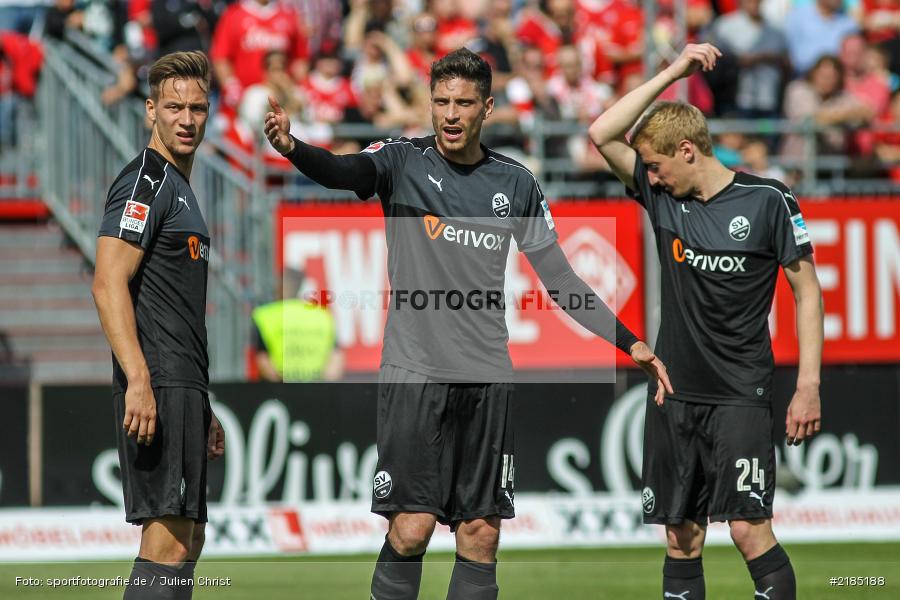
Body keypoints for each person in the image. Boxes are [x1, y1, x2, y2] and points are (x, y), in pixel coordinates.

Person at [264, 47, 672, 600]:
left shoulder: (515, 183)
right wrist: (293, 148)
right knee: (410, 528)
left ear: (487, 108)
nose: (450, 114)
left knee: (480, 534)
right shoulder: (401, 160)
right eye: (440, 102)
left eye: (463, 103)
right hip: (416, 371)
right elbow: (344, 170)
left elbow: (562, 282)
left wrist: (633, 344)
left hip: (487, 375)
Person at [588, 43, 824, 600]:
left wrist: (809, 385)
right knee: (680, 535)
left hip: (741, 392)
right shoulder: (665, 198)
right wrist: (673, 71)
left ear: (687, 151)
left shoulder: (769, 199)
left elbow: (806, 292)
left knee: (747, 528)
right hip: (675, 393)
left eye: (655, 164)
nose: (650, 176)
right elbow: (601, 133)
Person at [92, 51, 225, 600]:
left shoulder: (179, 185)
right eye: (174, 107)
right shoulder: (145, 181)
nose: (186, 119)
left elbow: (175, 304)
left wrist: (202, 402)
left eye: (196, 108)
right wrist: (140, 381)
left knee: (186, 542)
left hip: (182, 384)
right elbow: (107, 283)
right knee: (166, 542)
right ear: (151, 110)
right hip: (158, 381)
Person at [251, 268, 345, 382]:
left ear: (280, 287)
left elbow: (263, 359)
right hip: (316, 387)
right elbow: (335, 359)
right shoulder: (323, 316)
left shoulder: (264, 315)